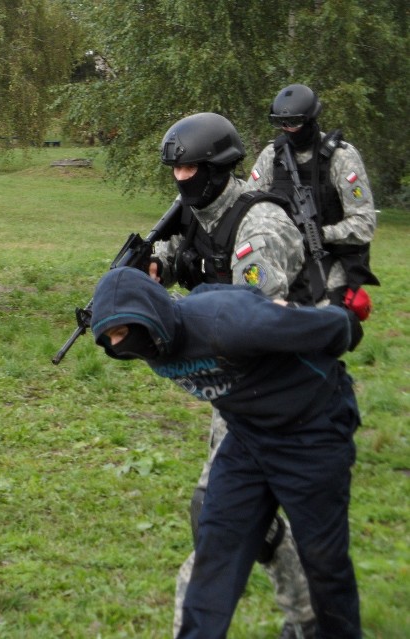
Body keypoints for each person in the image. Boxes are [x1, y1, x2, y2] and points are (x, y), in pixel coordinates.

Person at [90, 266, 363, 639]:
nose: (120, 344)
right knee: (216, 550)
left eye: (122, 331)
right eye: (110, 338)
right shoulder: (155, 343)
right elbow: (207, 289)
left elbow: (332, 328)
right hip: (248, 438)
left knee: (323, 560)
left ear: (148, 311)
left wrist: (343, 324)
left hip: (312, 431)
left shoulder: (227, 323)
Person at [150, 113, 316, 638]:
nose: (182, 180)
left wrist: (175, 328)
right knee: (246, 521)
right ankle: (310, 615)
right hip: (243, 391)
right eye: (176, 171)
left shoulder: (259, 228)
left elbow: (251, 326)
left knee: (218, 517)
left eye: (191, 169)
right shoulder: (197, 211)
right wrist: (151, 268)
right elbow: (180, 253)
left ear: (218, 169)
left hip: (288, 390)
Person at [248, 83, 378, 312]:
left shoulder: (341, 157)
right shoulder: (272, 156)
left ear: (310, 119)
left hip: (327, 258)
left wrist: (320, 234)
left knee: (324, 319)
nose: (287, 129)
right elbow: (248, 206)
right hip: (281, 257)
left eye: (295, 123)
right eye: (281, 123)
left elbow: (365, 223)